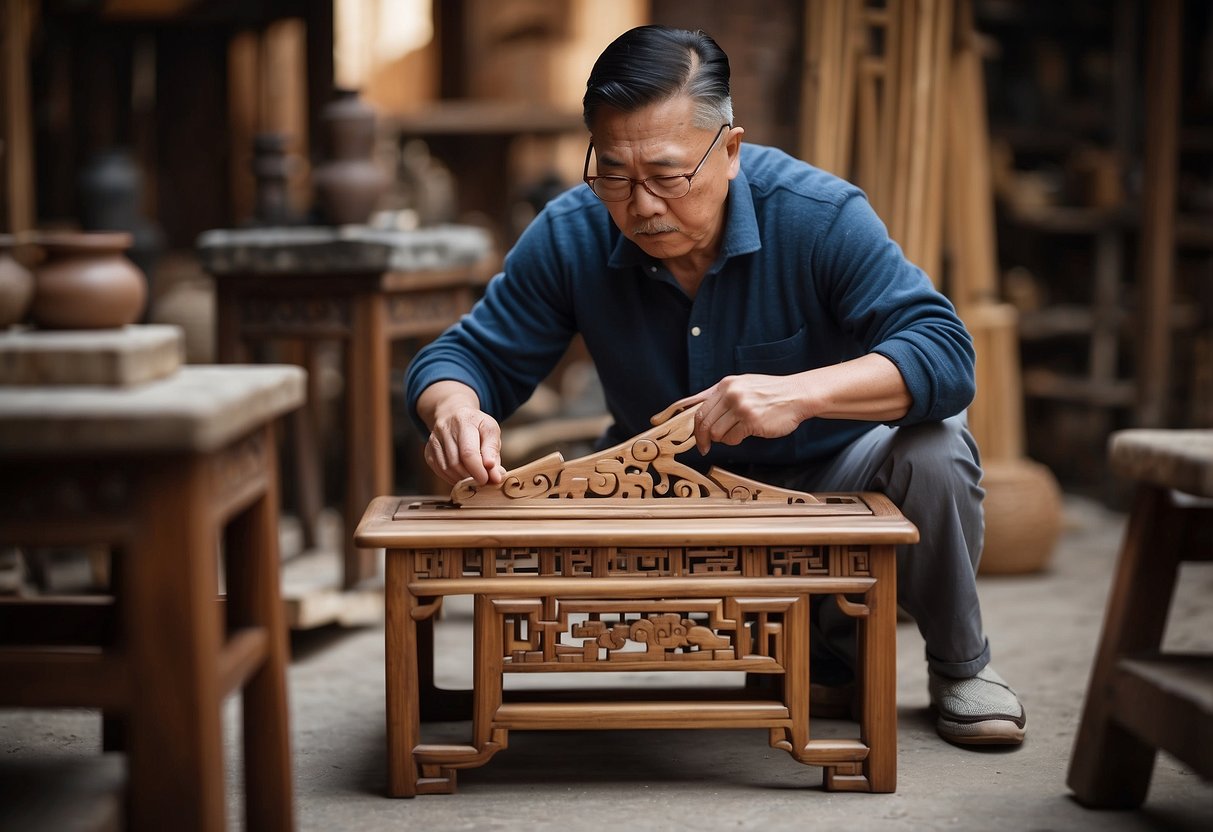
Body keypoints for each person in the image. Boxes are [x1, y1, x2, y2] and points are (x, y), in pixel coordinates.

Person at [406, 24, 1026, 747]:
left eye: (666, 176)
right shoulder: (572, 231)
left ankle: (958, 665)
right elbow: (463, 356)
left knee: (935, 451)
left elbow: (945, 354)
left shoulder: (819, 216)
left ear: (728, 150)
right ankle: (824, 644)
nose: (639, 205)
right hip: (663, 494)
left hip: (831, 478)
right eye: (613, 174)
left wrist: (798, 395)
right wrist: (455, 410)